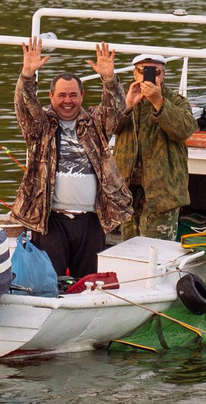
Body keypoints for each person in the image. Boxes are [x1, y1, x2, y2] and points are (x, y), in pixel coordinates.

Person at [9, 36, 133, 280]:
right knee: (50, 281)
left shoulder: (96, 123)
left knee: (87, 282)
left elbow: (116, 110)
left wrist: (109, 80)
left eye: (73, 95)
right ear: (51, 96)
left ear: (82, 95)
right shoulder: (40, 126)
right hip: (51, 221)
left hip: (92, 221)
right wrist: (26, 76)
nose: (68, 101)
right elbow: (24, 107)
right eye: (62, 95)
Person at [112, 53, 196, 242]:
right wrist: (127, 107)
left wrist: (158, 102)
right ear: (135, 73)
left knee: (155, 250)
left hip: (162, 194)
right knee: (129, 247)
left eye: (154, 71)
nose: (148, 76)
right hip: (128, 192)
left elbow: (184, 129)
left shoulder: (176, 101)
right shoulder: (123, 98)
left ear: (163, 75)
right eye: (143, 71)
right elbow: (106, 128)